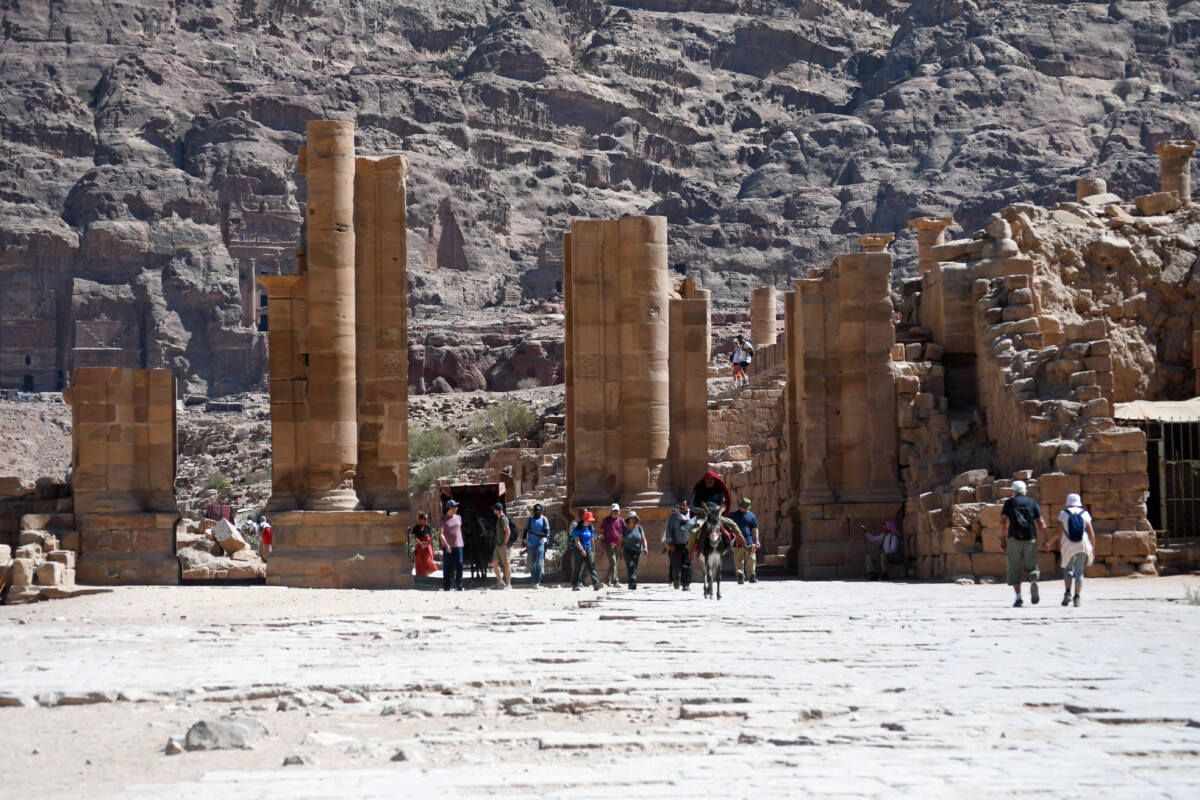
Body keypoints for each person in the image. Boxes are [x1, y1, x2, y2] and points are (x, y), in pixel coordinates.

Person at [1000, 480, 1048, 607]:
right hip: (1030, 538)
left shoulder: (1009, 503)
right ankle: (1033, 583)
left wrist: (1001, 539)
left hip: (1014, 539)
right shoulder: (1032, 502)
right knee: (1032, 567)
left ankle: (1019, 598)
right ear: (1025, 490)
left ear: (1013, 491)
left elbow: (1002, 522)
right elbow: (1041, 522)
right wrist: (1046, 540)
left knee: (1014, 569)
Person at [1058, 493, 1096, 607]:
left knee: (1068, 569)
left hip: (1068, 544)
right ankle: (1077, 598)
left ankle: (1068, 592)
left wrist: (1048, 542)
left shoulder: (1063, 514)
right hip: (1082, 544)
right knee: (1079, 571)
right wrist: (1093, 548)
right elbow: (1091, 534)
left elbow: (1057, 531)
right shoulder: (1085, 514)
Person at [728, 498, 760, 585]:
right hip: (737, 542)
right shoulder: (733, 514)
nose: (745, 510)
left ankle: (752, 577)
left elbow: (754, 529)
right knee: (738, 561)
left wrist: (756, 540)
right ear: (740, 506)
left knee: (751, 559)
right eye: (744, 508)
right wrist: (730, 539)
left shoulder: (752, 516)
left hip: (748, 541)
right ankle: (740, 577)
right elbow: (728, 527)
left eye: (747, 508)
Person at [665, 500, 693, 590]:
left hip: (688, 545)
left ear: (687, 506)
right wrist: (670, 542)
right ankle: (676, 579)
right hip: (676, 546)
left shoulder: (692, 517)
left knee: (687, 566)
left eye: (683, 505)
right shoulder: (673, 517)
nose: (681, 507)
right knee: (676, 566)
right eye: (680, 505)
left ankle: (686, 584)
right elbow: (668, 530)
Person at [439, 499, 465, 592]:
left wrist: (460, 541)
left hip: (458, 545)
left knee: (460, 564)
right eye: (455, 506)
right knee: (447, 566)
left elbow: (459, 530)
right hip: (447, 546)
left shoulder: (459, 517)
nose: (457, 508)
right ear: (450, 508)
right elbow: (441, 534)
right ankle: (446, 586)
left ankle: (459, 585)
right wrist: (446, 544)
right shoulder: (442, 519)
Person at [571, 510, 601, 592]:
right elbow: (577, 541)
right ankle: (575, 584)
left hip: (589, 549)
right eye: (589, 520)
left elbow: (592, 540)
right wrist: (581, 550)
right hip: (578, 549)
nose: (590, 522)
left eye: (591, 520)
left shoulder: (590, 528)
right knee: (577, 567)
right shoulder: (578, 528)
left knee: (592, 566)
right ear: (584, 520)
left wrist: (593, 550)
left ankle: (596, 583)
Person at [524, 503, 551, 589]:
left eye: (538, 511)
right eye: (535, 511)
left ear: (541, 511)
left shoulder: (544, 519)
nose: (537, 512)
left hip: (540, 543)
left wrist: (533, 532)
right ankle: (534, 580)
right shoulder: (530, 519)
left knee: (539, 563)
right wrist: (524, 541)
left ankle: (537, 582)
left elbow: (546, 534)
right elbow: (525, 531)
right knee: (532, 564)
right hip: (531, 544)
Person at [621, 511, 649, 590]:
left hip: (637, 550)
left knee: (635, 566)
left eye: (634, 518)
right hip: (627, 550)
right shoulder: (624, 529)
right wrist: (619, 551)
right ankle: (633, 582)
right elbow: (621, 541)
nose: (633, 519)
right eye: (631, 518)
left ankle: (631, 582)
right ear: (628, 519)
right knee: (630, 565)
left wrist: (646, 548)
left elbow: (643, 539)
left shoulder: (640, 528)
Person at [600, 503, 624, 587]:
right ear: (611, 511)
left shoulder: (621, 520)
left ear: (619, 511)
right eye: (614, 510)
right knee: (613, 562)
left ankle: (607, 580)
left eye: (617, 511)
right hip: (608, 544)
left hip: (618, 544)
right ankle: (616, 581)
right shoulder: (606, 520)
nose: (615, 512)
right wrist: (602, 545)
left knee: (613, 563)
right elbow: (601, 533)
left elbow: (624, 532)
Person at [491, 502, 513, 590]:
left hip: (504, 545)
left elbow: (508, 531)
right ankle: (500, 582)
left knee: (506, 563)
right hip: (499, 544)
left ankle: (508, 584)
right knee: (494, 562)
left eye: (494, 509)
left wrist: (505, 543)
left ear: (496, 510)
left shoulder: (503, 519)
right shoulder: (499, 519)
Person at [412, 512, 437, 577]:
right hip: (419, 548)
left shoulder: (428, 528)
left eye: (427, 518)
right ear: (420, 519)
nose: (426, 520)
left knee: (428, 562)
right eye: (425, 518)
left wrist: (431, 548)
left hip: (427, 548)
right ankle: (421, 578)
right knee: (419, 563)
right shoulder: (416, 528)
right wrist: (421, 543)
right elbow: (415, 538)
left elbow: (430, 539)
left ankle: (427, 577)